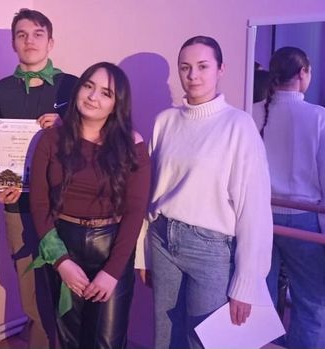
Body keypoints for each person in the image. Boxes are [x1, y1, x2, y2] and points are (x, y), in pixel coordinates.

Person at [136, 35, 273, 349]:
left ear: (220, 69)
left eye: (202, 66)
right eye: (185, 67)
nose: (193, 75)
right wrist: (142, 254)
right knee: (165, 338)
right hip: (162, 238)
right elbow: (150, 193)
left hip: (211, 249)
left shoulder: (238, 125)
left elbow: (253, 209)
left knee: (205, 341)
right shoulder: (165, 121)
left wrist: (247, 282)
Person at [29, 62, 150, 349]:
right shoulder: (51, 139)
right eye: (88, 86)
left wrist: (112, 272)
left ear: (116, 104)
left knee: (106, 341)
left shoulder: (132, 145)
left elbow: (135, 211)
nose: (93, 97)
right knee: (70, 339)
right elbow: (39, 203)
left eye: (106, 93)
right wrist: (61, 262)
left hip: (111, 247)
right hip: (62, 243)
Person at [0, 8, 78, 348]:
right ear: (13, 43)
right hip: (19, 206)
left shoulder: (74, 87)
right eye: (22, 35)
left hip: (68, 206)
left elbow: (96, 140)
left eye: (38, 34)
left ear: (51, 42)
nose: (30, 41)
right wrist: (1, 186)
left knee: (69, 286)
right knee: (30, 289)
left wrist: (66, 127)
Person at [253, 46, 325, 349]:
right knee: (311, 303)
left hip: (260, 217)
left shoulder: (252, 112)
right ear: (303, 73)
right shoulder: (318, 116)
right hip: (304, 219)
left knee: (261, 301)